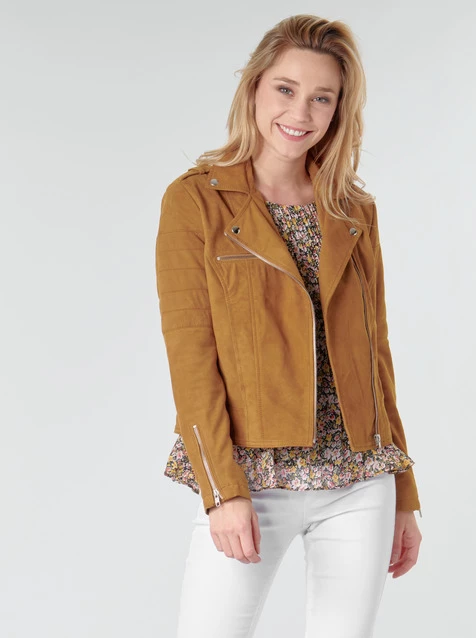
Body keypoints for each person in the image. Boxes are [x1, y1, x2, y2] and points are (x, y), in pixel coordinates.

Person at [155, 13, 422, 638]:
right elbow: (191, 357)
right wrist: (222, 491)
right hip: (253, 476)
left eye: (321, 97)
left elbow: (376, 356)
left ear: (338, 110)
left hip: (359, 480)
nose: (300, 111)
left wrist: (404, 493)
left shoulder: (353, 210)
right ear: (254, 87)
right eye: (285, 88)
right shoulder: (195, 201)